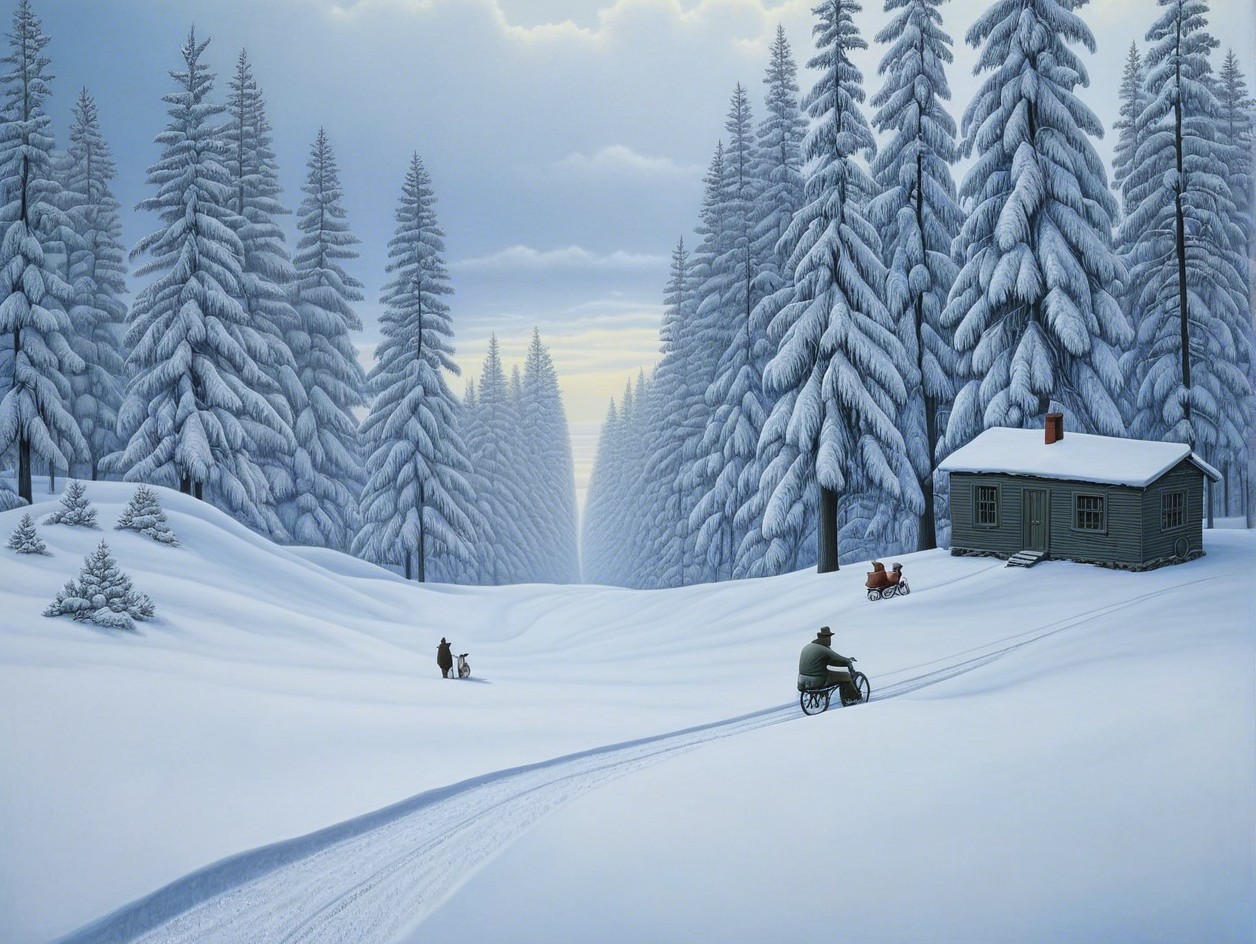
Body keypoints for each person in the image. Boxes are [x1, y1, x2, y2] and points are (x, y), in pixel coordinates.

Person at [797, 626, 861, 704]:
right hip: (818, 680)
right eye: (828, 637)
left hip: (802, 680)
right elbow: (838, 658)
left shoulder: (808, 647)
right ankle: (852, 698)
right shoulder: (823, 649)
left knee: (832, 674)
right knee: (846, 676)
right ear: (824, 638)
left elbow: (831, 661)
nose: (830, 640)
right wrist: (848, 661)